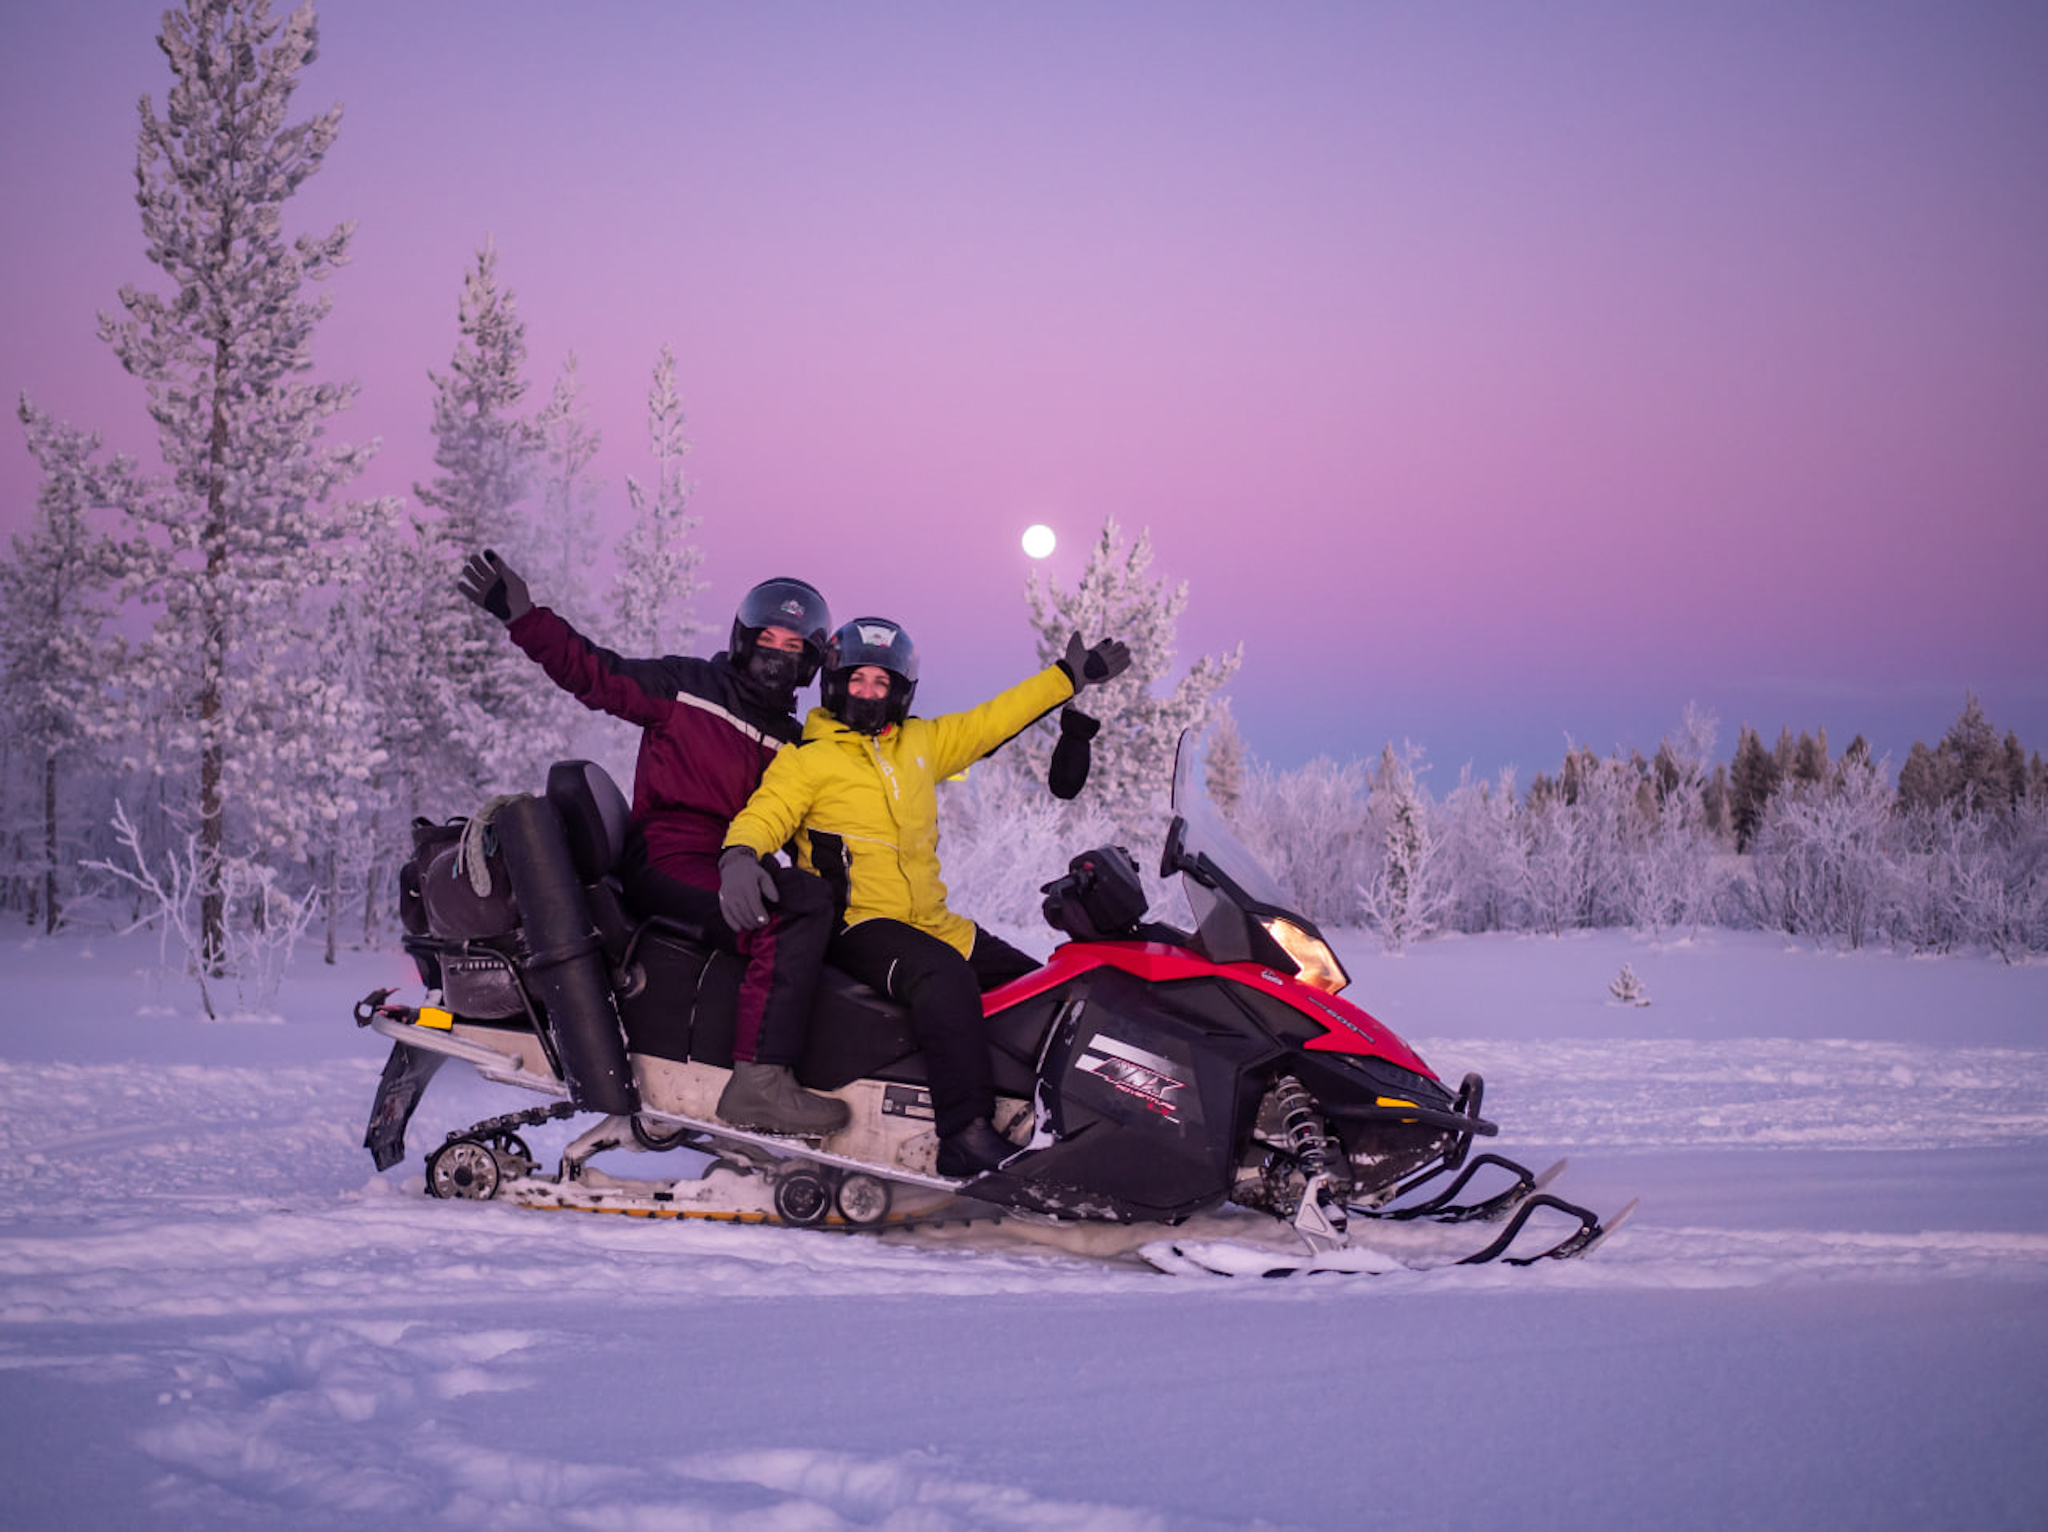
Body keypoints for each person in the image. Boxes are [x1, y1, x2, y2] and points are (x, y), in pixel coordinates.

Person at [718, 616, 1131, 1177]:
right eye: (857, 679)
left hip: (933, 924)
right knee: (942, 977)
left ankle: (1074, 1126)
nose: (868, 692)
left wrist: (1066, 678)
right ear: (835, 682)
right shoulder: (807, 759)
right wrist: (739, 856)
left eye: (881, 682)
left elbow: (993, 721)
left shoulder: (919, 745)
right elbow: (764, 814)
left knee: (1049, 990)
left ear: (899, 691)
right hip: (858, 926)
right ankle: (965, 1134)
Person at [456, 549, 849, 1137]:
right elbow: (597, 673)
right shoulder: (687, 688)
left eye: (795, 647)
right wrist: (525, 617)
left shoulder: (795, 742)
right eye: (769, 637)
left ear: (810, 664)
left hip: (738, 872)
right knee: (795, 907)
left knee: (818, 909)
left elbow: (811, 832)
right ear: (744, 639)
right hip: (669, 857)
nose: (778, 654)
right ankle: (760, 1083)